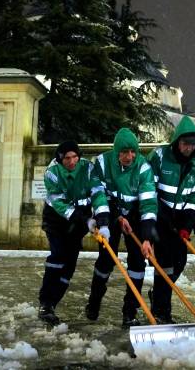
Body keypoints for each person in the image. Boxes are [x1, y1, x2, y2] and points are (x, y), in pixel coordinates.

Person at [85, 128, 158, 326]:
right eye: (125, 152)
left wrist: (146, 237)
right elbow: (98, 194)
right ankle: (94, 300)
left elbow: (148, 203)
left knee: (137, 262)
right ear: (116, 151)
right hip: (108, 213)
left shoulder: (143, 167)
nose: (129, 156)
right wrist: (107, 222)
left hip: (135, 215)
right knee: (107, 259)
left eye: (133, 151)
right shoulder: (102, 163)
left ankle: (130, 311)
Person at [38, 141, 110, 325]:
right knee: (58, 256)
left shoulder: (87, 168)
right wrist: (85, 220)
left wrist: (102, 220)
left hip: (78, 223)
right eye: (67, 158)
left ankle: (53, 303)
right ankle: (45, 303)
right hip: (57, 221)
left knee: (69, 264)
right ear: (60, 159)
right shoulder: (52, 173)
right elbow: (60, 204)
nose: (71, 161)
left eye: (74, 157)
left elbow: (97, 192)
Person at [146, 116, 195, 324]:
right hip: (160, 218)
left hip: (180, 221)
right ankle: (162, 311)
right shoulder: (160, 156)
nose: (188, 148)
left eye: (192, 144)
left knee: (179, 263)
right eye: (185, 143)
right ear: (177, 141)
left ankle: (158, 296)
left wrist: (186, 224)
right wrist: (162, 214)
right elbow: (149, 187)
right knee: (165, 265)